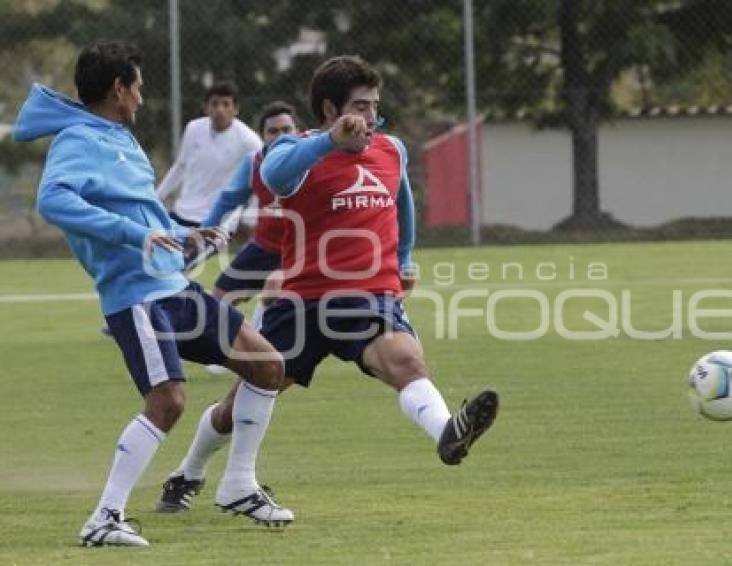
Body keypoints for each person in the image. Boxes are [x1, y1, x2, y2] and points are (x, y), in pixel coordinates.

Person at [156, 55, 499, 515]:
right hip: (300, 301)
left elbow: (403, 203)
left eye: (375, 105)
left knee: (406, 361)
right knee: (234, 408)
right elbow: (274, 176)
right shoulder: (292, 151)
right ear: (330, 110)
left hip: (367, 294)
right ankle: (189, 471)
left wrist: (404, 260)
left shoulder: (390, 149)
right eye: (361, 107)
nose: (371, 117)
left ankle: (447, 433)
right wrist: (327, 144)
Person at [14, 40, 292, 548]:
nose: (142, 97)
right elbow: (53, 200)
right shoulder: (77, 140)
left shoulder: (120, 138)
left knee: (269, 365)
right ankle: (103, 518)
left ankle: (237, 485)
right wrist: (132, 234)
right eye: (137, 87)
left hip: (174, 285)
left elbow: (145, 212)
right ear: (118, 88)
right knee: (167, 400)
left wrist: (189, 233)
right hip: (136, 295)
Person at [201, 101, 299, 319]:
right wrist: (203, 231)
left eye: (286, 129)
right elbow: (228, 200)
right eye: (273, 131)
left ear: (298, 133)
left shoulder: (312, 161)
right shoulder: (253, 163)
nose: (281, 136)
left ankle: (262, 344)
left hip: (301, 250)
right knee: (216, 302)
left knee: (274, 287)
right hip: (263, 247)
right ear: (263, 136)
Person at [156, 80, 262, 228]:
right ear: (205, 108)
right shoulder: (193, 128)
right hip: (182, 212)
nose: (220, 109)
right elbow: (180, 166)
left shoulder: (250, 141)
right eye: (215, 104)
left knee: (192, 251)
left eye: (226, 104)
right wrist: (156, 198)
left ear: (236, 109)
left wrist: (250, 217)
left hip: (219, 220)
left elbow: (260, 179)